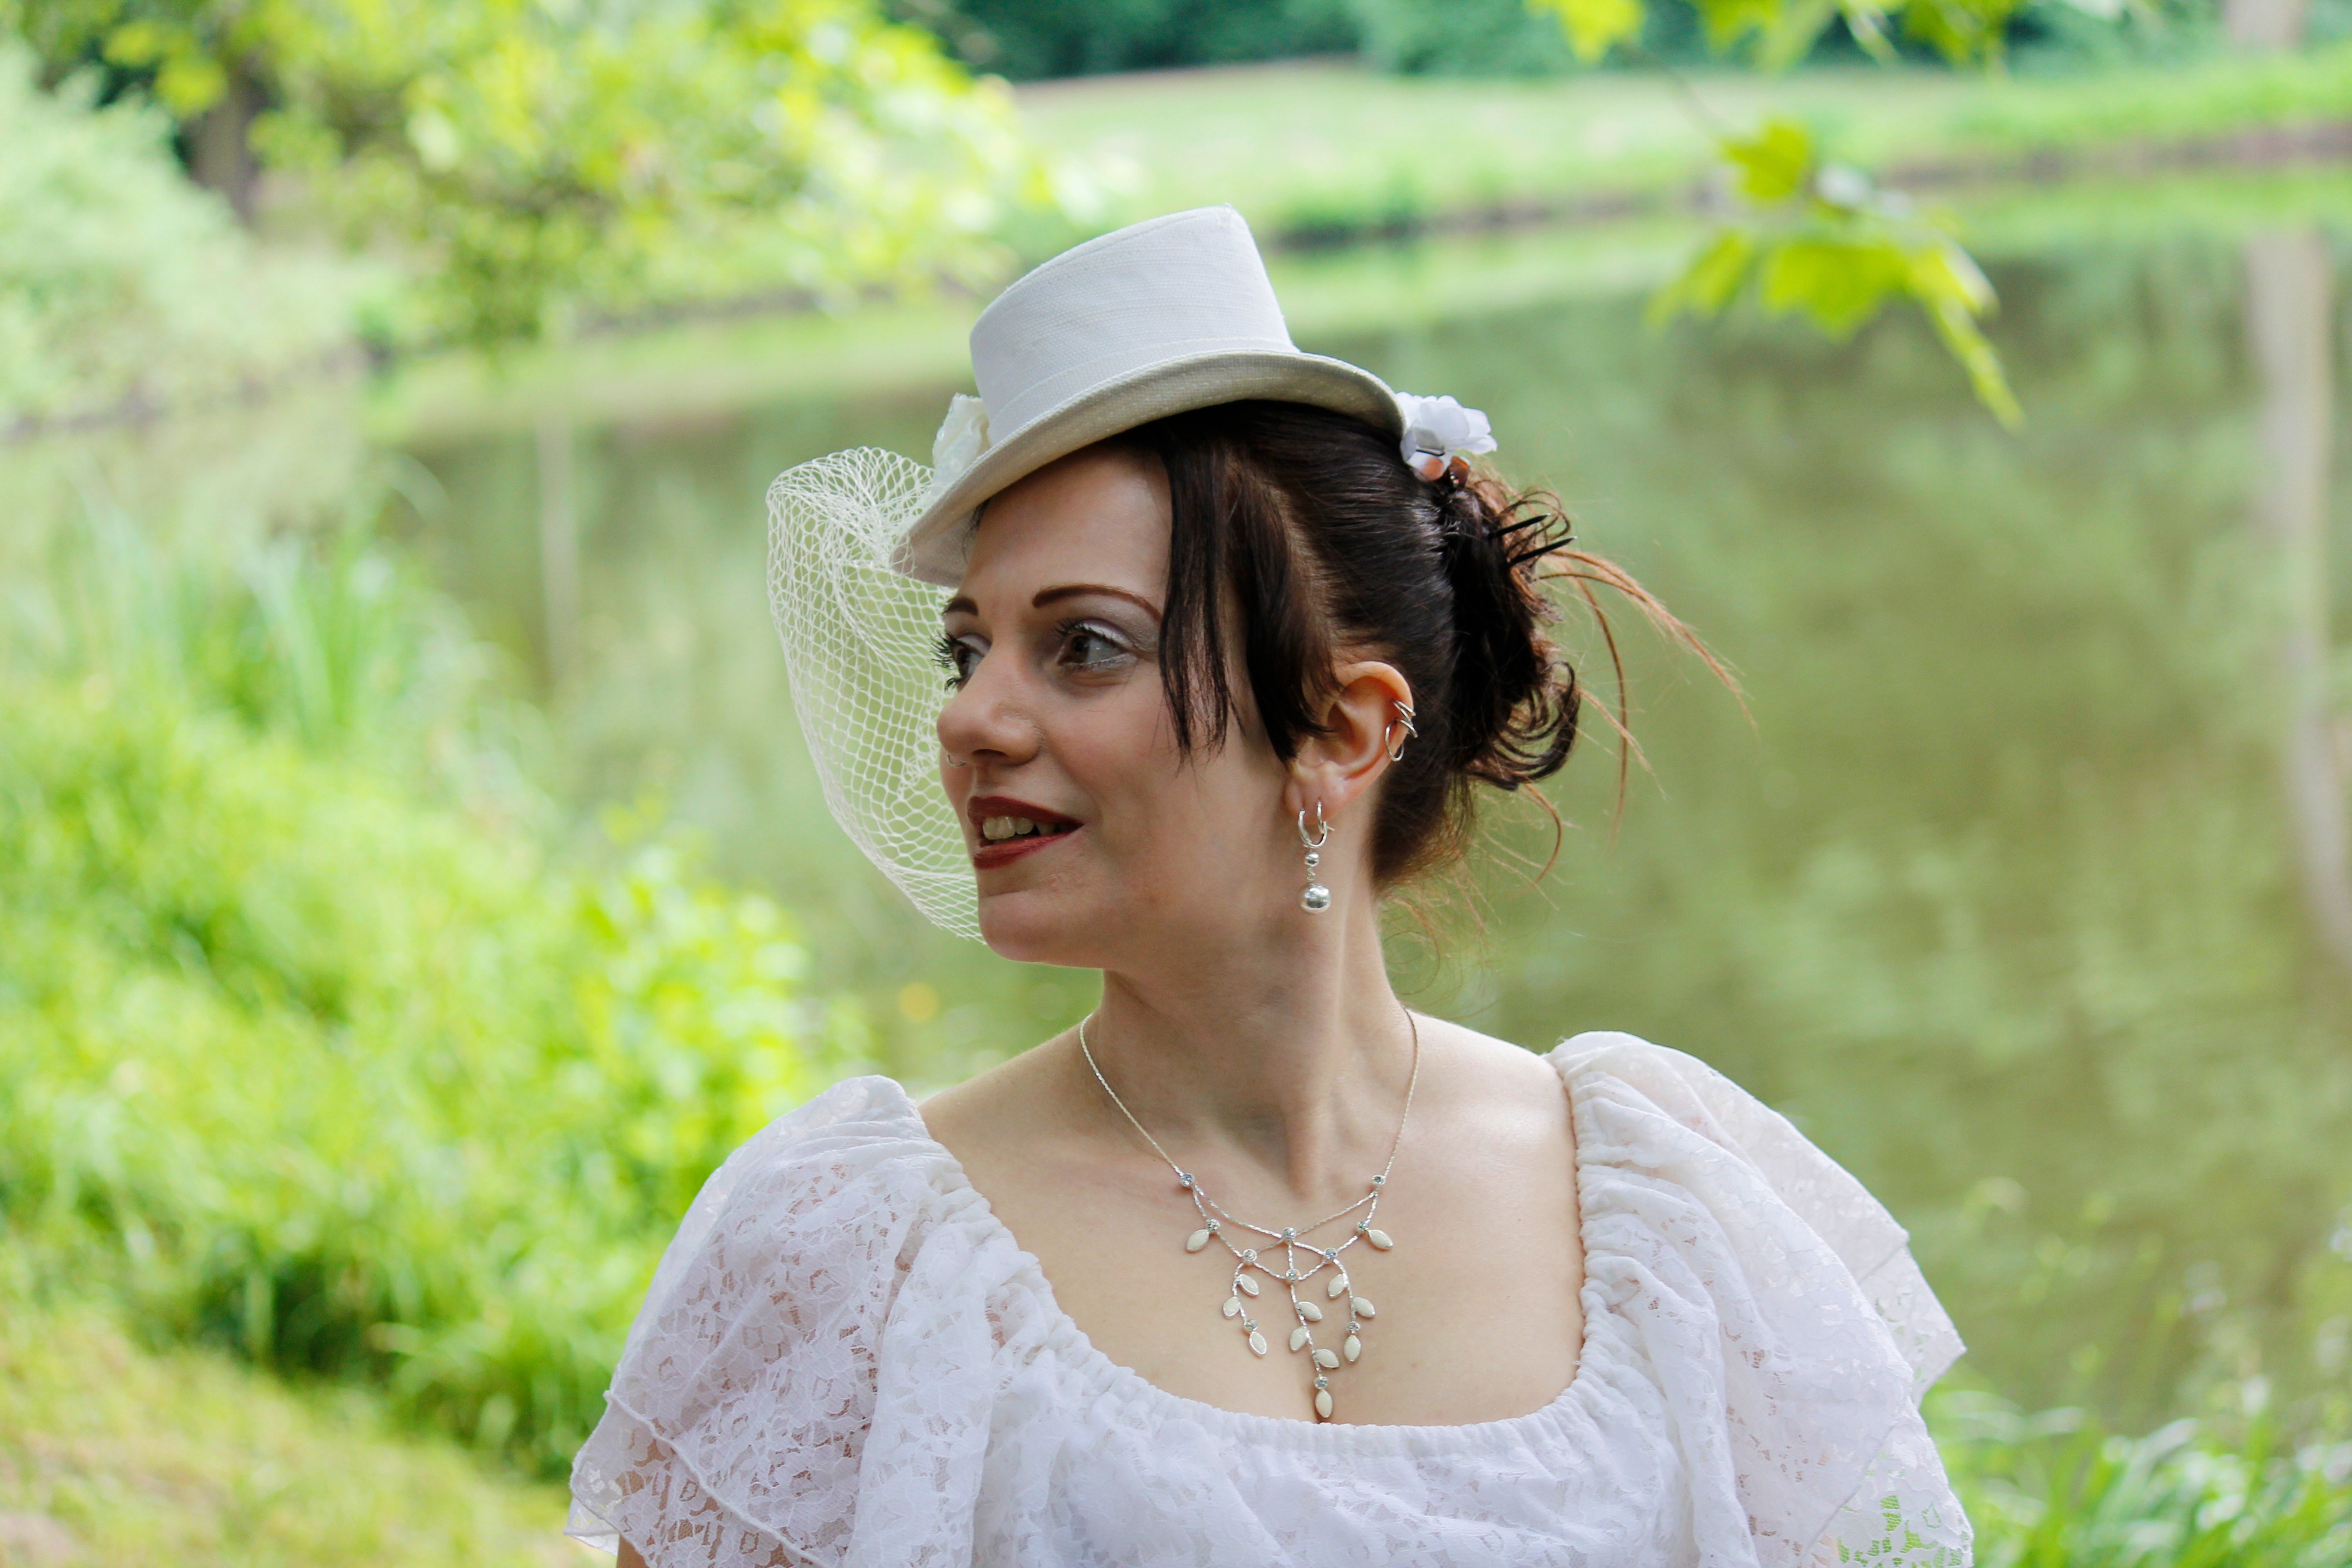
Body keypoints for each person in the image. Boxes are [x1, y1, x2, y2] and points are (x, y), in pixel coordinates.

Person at [565, 206, 1972, 1567]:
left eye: (1085, 647)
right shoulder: (855, 1259)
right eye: (968, 651)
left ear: (1343, 732)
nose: (971, 718)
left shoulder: (1660, 1209)